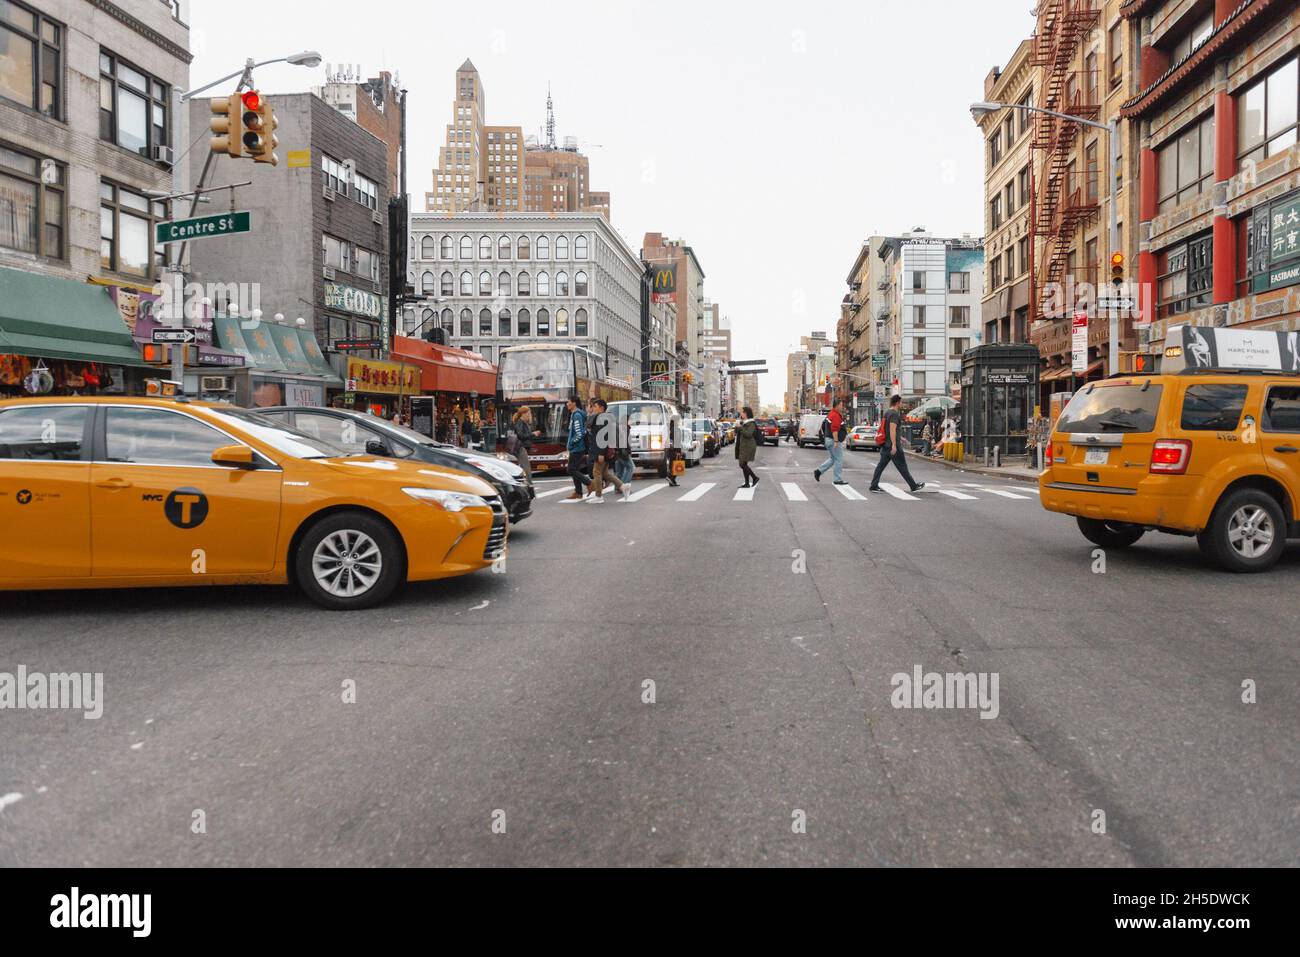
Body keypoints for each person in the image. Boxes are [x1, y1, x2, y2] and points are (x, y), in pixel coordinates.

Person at [869, 395, 926, 494]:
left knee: (881, 466)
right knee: (902, 466)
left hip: (886, 445)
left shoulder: (887, 412)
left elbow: (889, 430)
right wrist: (894, 445)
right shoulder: (894, 414)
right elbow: (892, 429)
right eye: (901, 402)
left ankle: (873, 485)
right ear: (897, 403)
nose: (902, 404)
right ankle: (913, 486)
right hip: (892, 446)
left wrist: (900, 438)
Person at [586, 398, 628, 503]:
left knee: (596, 472)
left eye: (595, 406)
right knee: (605, 474)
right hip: (605, 451)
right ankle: (623, 486)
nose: (593, 408)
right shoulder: (602, 418)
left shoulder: (602, 419)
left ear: (601, 407)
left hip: (601, 451)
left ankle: (599, 496)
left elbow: (603, 437)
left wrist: (600, 453)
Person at [562, 395, 592, 502]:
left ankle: (589, 483)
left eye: (568, 402)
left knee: (571, 469)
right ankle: (578, 492)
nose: (567, 404)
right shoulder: (575, 414)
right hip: (577, 447)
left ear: (574, 403)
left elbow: (579, 434)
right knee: (575, 469)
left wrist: (571, 444)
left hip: (577, 448)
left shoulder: (577, 415)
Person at [813, 398, 848, 486]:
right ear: (837, 405)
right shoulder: (835, 415)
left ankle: (818, 471)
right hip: (833, 440)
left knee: (833, 459)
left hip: (829, 439)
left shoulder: (831, 414)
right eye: (841, 405)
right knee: (839, 459)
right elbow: (834, 429)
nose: (842, 406)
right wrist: (836, 441)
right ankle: (837, 479)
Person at [511, 406, 540, 482]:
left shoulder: (523, 423)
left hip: (522, 447)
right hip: (520, 448)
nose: (529, 415)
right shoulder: (520, 423)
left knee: (523, 466)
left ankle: (525, 482)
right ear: (523, 414)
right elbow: (521, 436)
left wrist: (532, 433)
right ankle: (529, 484)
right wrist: (533, 434)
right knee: (526, 467)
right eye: (528, 413)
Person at [735, 407, 761, 489]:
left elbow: (749, 434)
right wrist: (737, 426)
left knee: (742, 464)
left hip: (749, 446)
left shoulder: (751, 423)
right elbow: (737, 432)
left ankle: (755, 478)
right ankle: (747, 483)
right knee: (744, 464)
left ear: (746, 413)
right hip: (743, 446)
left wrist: (740, 427)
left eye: (742, 412)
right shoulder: (744, 423)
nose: (741, 414)